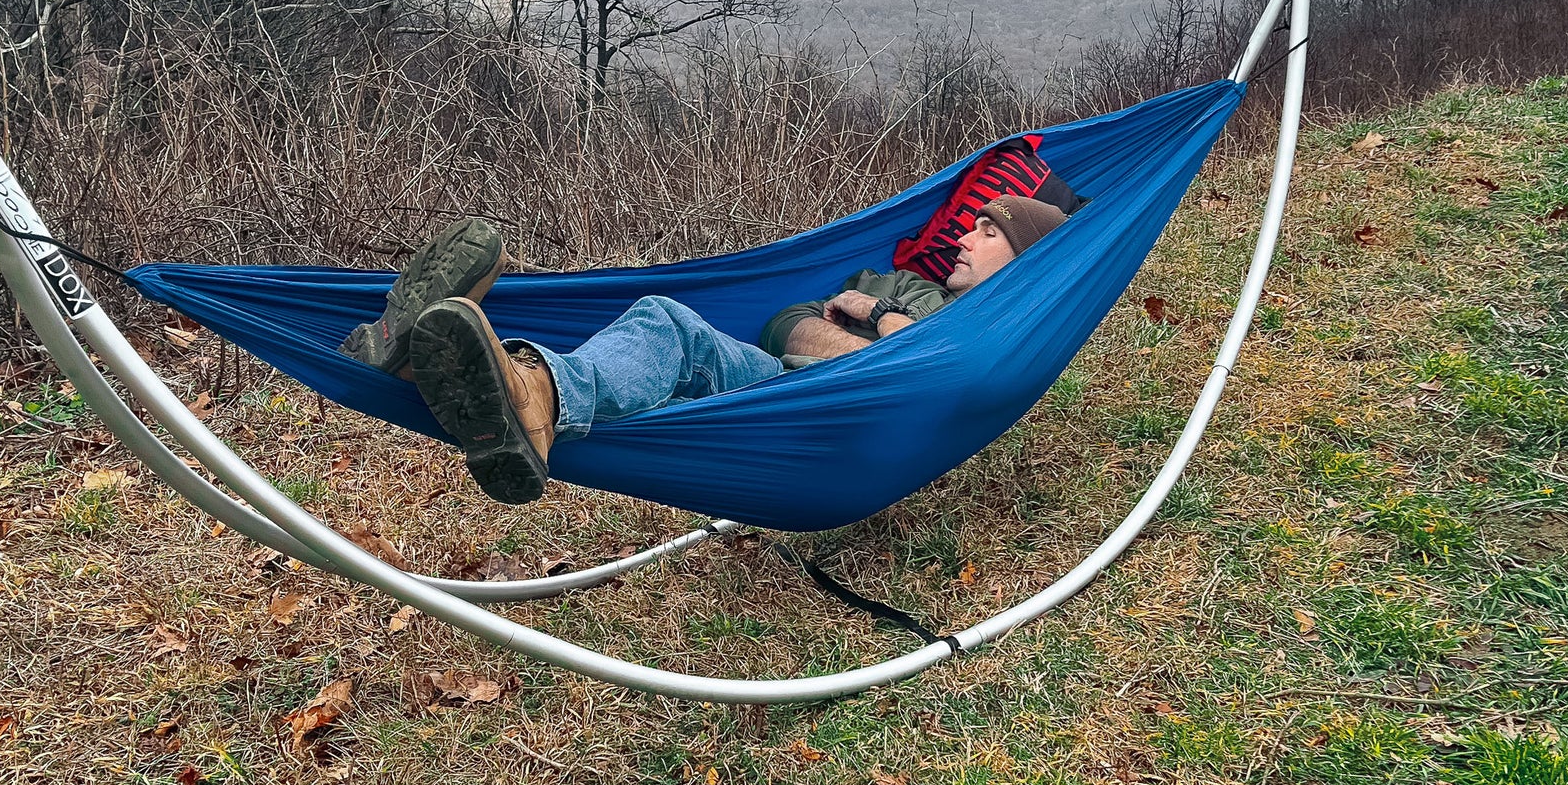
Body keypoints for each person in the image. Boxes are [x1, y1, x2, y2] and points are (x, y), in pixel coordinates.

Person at [343, 195, 1067, 504]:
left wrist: (873, 320)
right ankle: (451, 369)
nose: (966, 236)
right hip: (778, 390)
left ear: (1028, 258)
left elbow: (922, 374)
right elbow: (786, 323)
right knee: (666, 322)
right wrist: (874, 327)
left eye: (989, 231)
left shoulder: (1002, 327)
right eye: (968, 224)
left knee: (667, 328)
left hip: (835, 430)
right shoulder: (904, 281)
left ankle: (533, 394)